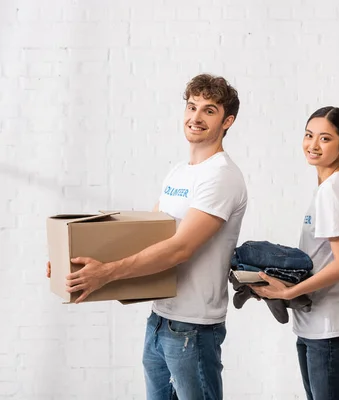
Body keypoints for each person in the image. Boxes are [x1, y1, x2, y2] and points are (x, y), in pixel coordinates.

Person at [48, 74, 247, 400]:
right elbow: (146, 237)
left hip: (193, 328)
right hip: (160, 319)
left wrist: (106, 273)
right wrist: (70, 261)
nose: (195, 117)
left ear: (228, 121)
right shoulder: (179, 172)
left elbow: (179, 248)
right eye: (191, 106)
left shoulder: (221, 176)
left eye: (208, 111)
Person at [252, 106, 339, 400]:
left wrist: (290, 293)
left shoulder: (333, 190)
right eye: (309, 135)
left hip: (328, 329)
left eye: (325, 139)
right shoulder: (329, 187)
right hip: (315, 326)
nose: (313, 145)